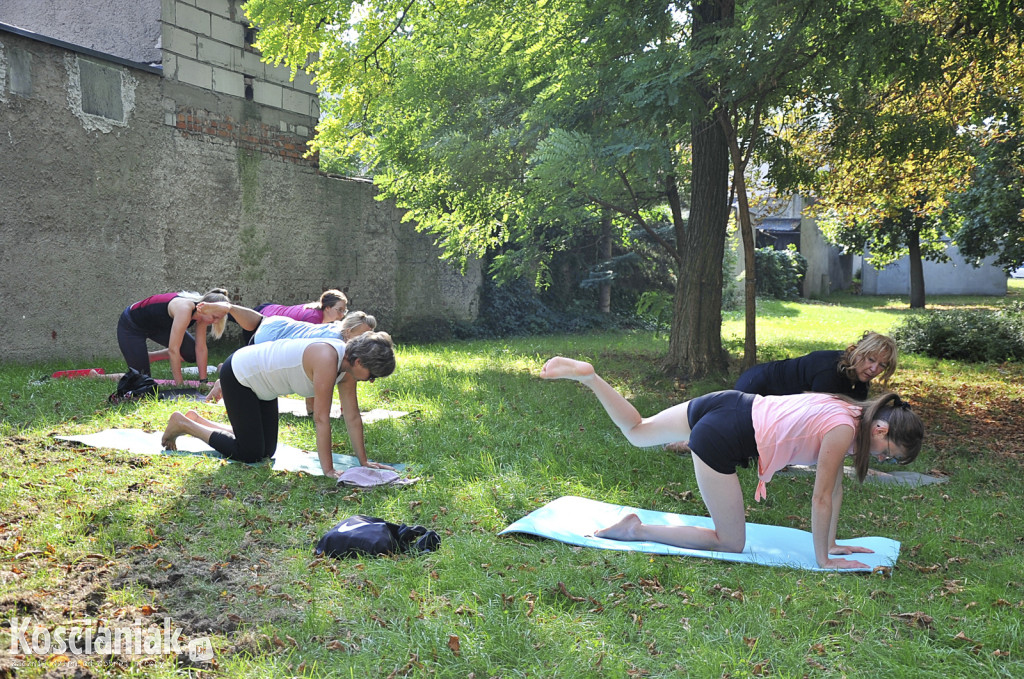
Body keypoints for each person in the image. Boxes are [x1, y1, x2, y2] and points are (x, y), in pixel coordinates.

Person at [539, 356, 924, 570]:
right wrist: (823, 559)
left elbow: (834, 490)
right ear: (881, 428)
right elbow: (822, 497)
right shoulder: (843, 429)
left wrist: (832, 542)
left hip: (729, 401)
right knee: (731, 542)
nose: (883, 458)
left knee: (637, 431)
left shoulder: (847, 407)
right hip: (725, 435)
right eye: (888, 451)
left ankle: (590, 377)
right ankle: (635, 530)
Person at [161, 332, 397, 477]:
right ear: (358, 361)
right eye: (372, 374)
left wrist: (364, 461)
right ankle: (183, 423)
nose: (371, 380)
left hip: (264, 386)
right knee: (250, 452)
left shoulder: (346, 369)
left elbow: (353, 417)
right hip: (241, 375)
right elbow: (321, 418)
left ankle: (197, 420)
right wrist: (328, 470)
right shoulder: (328, 359)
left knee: (266, 451)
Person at [203, 309, 378, 408]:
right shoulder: (334, 342)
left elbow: (342, 381)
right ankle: (222, 383)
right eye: (363, 335)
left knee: (244, 372)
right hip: (273, 334)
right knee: (248, 374)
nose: (365, 340)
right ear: (349, 332)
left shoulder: (342, 338)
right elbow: (316, 378)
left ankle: (224, 375)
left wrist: (343, 410)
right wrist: (311, 412)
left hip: (278, 325)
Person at [734, 331, 898, 401]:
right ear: (859, 352)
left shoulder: (858, 372)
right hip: (756, 388)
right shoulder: (830, 370)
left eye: (882, 365)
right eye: (871, 359)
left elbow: (858, 408)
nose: (874, 369)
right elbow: (815, 413)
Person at [116, 289, 231, 384]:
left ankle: (147, 357)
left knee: (192, 353)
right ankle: (133, 361)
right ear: (202, 307)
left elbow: (200, 348)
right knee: (142, 381)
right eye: (214, 317)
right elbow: (173, 350)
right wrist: (180, 386)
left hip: (158, 326)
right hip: (132, 325)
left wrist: (203, 381)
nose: (216, 322)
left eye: (219, 319)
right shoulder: (185, 309)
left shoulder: (202, 314)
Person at [239, 289, 348, 344]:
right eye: (340, 310)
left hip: (267, 309)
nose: (342, 315)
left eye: (344, 311)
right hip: (261, 321)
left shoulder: (317, 311)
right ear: (328, 308)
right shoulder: (313, 319)